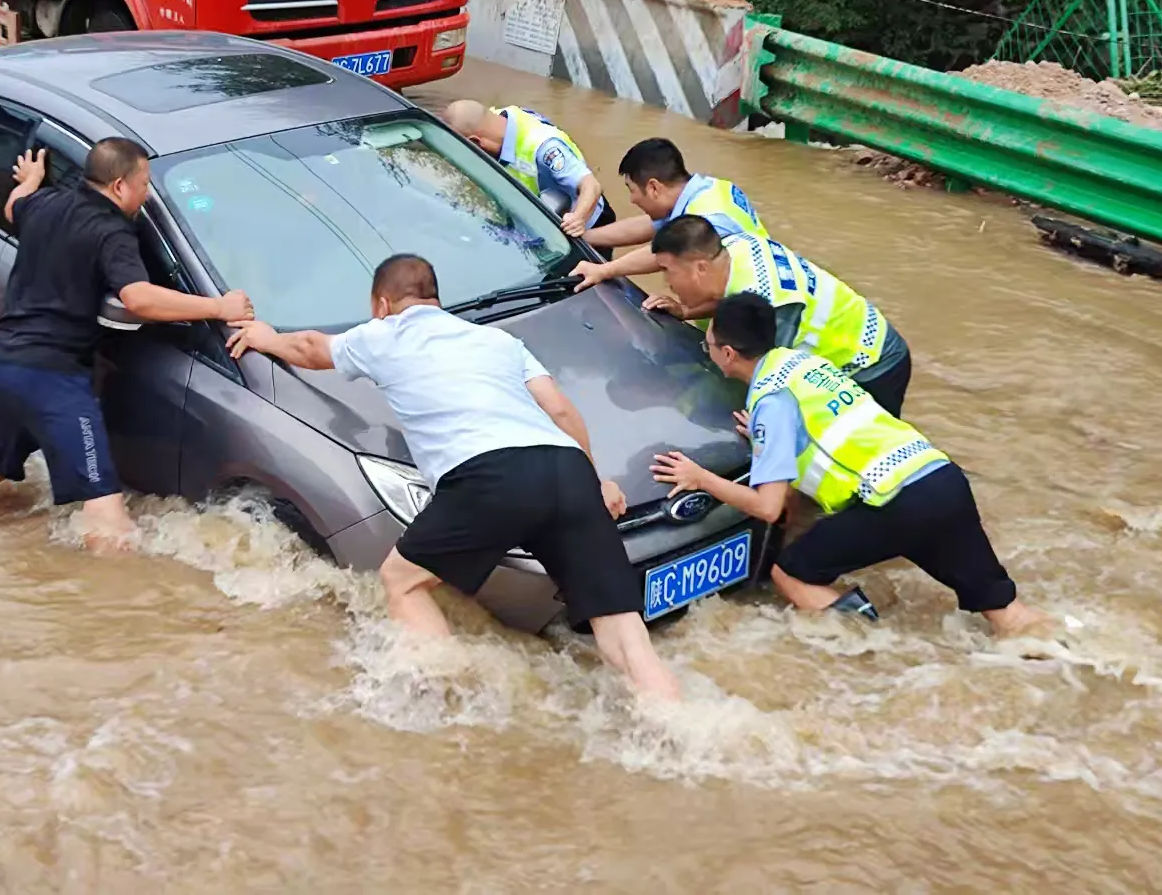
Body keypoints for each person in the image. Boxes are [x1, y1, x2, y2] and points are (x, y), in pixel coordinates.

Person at [225, 254, 681, 701]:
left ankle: (449, 704)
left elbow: (309, 348)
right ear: (435, 299)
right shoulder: (498, 341)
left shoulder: (384, 335)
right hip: (567, 467)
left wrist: (265, 336)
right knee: (623, 630)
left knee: (402, 582)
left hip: (489, 473)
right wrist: (597, 481)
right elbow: (560, 409)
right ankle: (675, 722)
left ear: (381, 305)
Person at [0, 137, 254, 547]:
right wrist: (219, 307)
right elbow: (138, 298)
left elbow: (13, 208)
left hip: (1, 360)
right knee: (105, 505)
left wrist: (30, 181)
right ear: (118, 186)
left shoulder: (45, 204)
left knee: (0, 454)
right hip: (51, 377)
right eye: (145, 183)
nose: (148, 194)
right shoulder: (113, 232)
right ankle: (112, 597)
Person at [651, 292, 1045, 634]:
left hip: (896, 503)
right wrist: (767, 440)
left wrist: (699, 477)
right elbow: (825, 426)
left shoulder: (770, 402)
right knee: (1006, 612)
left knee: (790, 573)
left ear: (728, 353)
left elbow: (768, 508)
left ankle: (870, 648)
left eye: (709, 343)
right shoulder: (804, 363)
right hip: (940, 478)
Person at [644, 215, 913, 416]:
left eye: (668, 270)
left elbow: (771, 376)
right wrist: (686, 311)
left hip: (871, 364)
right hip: (865, 331)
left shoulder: (765, 302)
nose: (667, 281)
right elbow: (727, 298)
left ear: (700, 268)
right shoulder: (737, 247)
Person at [573, 137, 766, 290]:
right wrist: (585, 237)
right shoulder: (707, 190)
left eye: (632, 190)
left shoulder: (707, 217)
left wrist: (603, 270)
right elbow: (647, 227)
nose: (632, 200)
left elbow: (664, 254)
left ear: (653, 188)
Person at [443, 100, 614, 237]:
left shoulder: (545, 149)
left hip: (587, 223)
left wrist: (578, 219)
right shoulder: (496, 119)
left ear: (476, 142)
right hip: (537, 217)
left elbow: (591, 185)